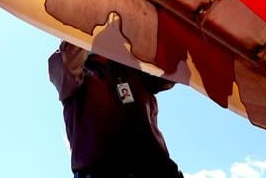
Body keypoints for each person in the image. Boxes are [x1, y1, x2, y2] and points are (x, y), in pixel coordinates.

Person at [49, 41, 184, 178]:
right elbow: (66, 60)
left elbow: (173, 64)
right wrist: (83, 32)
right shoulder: (74, 74)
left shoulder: (135, 71)